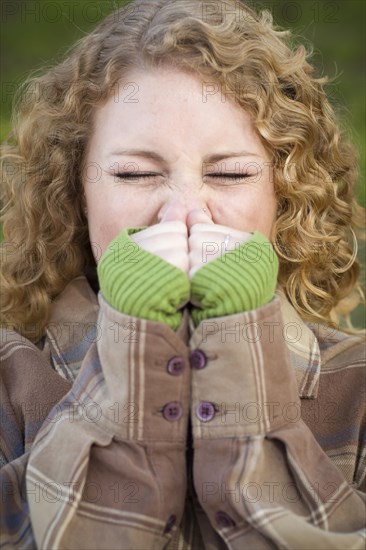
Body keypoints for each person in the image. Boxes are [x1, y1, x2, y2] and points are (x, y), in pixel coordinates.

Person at [1, 0, 365, 548]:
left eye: (230, 172)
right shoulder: (11, 383)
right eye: (135, 173)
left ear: (284, 193)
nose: (184, 214)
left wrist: (240, 343)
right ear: (75, 191)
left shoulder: (357, 388)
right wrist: (133, 344)